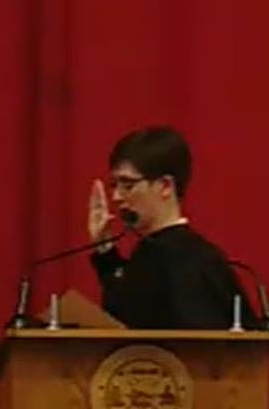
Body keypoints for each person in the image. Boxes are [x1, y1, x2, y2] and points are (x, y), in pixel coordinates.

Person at [87, 126, 253, 329]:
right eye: (114, 185)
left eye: (128, 185)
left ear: (165, 186)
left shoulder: (183, 256)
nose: (117, 197)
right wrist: (105, 249)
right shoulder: (157, 250)